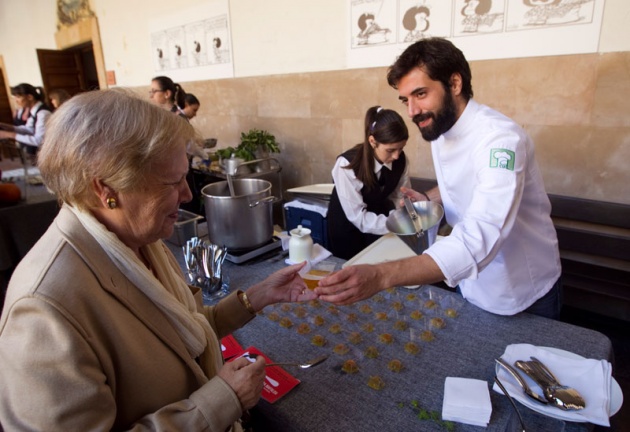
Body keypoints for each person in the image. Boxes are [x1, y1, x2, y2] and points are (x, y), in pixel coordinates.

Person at [0, 89, 317, 431]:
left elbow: (182, 330)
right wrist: (224, 399)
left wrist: (255, 297)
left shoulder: (138, 240)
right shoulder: (44, 308)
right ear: (107, 191)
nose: (188, 194)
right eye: (172, 181)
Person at [317, 38, 562, 319]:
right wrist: (428, 198)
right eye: (405, 100)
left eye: (420, 94)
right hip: (469, 283)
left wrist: (382, 275)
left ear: (454, 84)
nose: (412, 111)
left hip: (520, 287)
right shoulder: (440, 129)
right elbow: (463, 185)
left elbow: (482, 232)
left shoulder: (500, 140)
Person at [327, 106, 410, 260]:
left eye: (401, 148)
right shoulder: (346, 164)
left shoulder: (401, 161)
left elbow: (400, 196)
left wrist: (401, 216)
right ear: (372, 141)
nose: (397, 156)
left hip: (379, 224)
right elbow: (358, 218)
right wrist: (396, 225)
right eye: (391, 150)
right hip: (347, 228)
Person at [0, 83, 51, 158]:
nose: (16, 101)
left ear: (30, 97)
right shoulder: (34, 111)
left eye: (18, 97)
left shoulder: (43, 113)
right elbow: (30, 129)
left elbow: (39, 140)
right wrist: (8, 127)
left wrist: (9, 135)